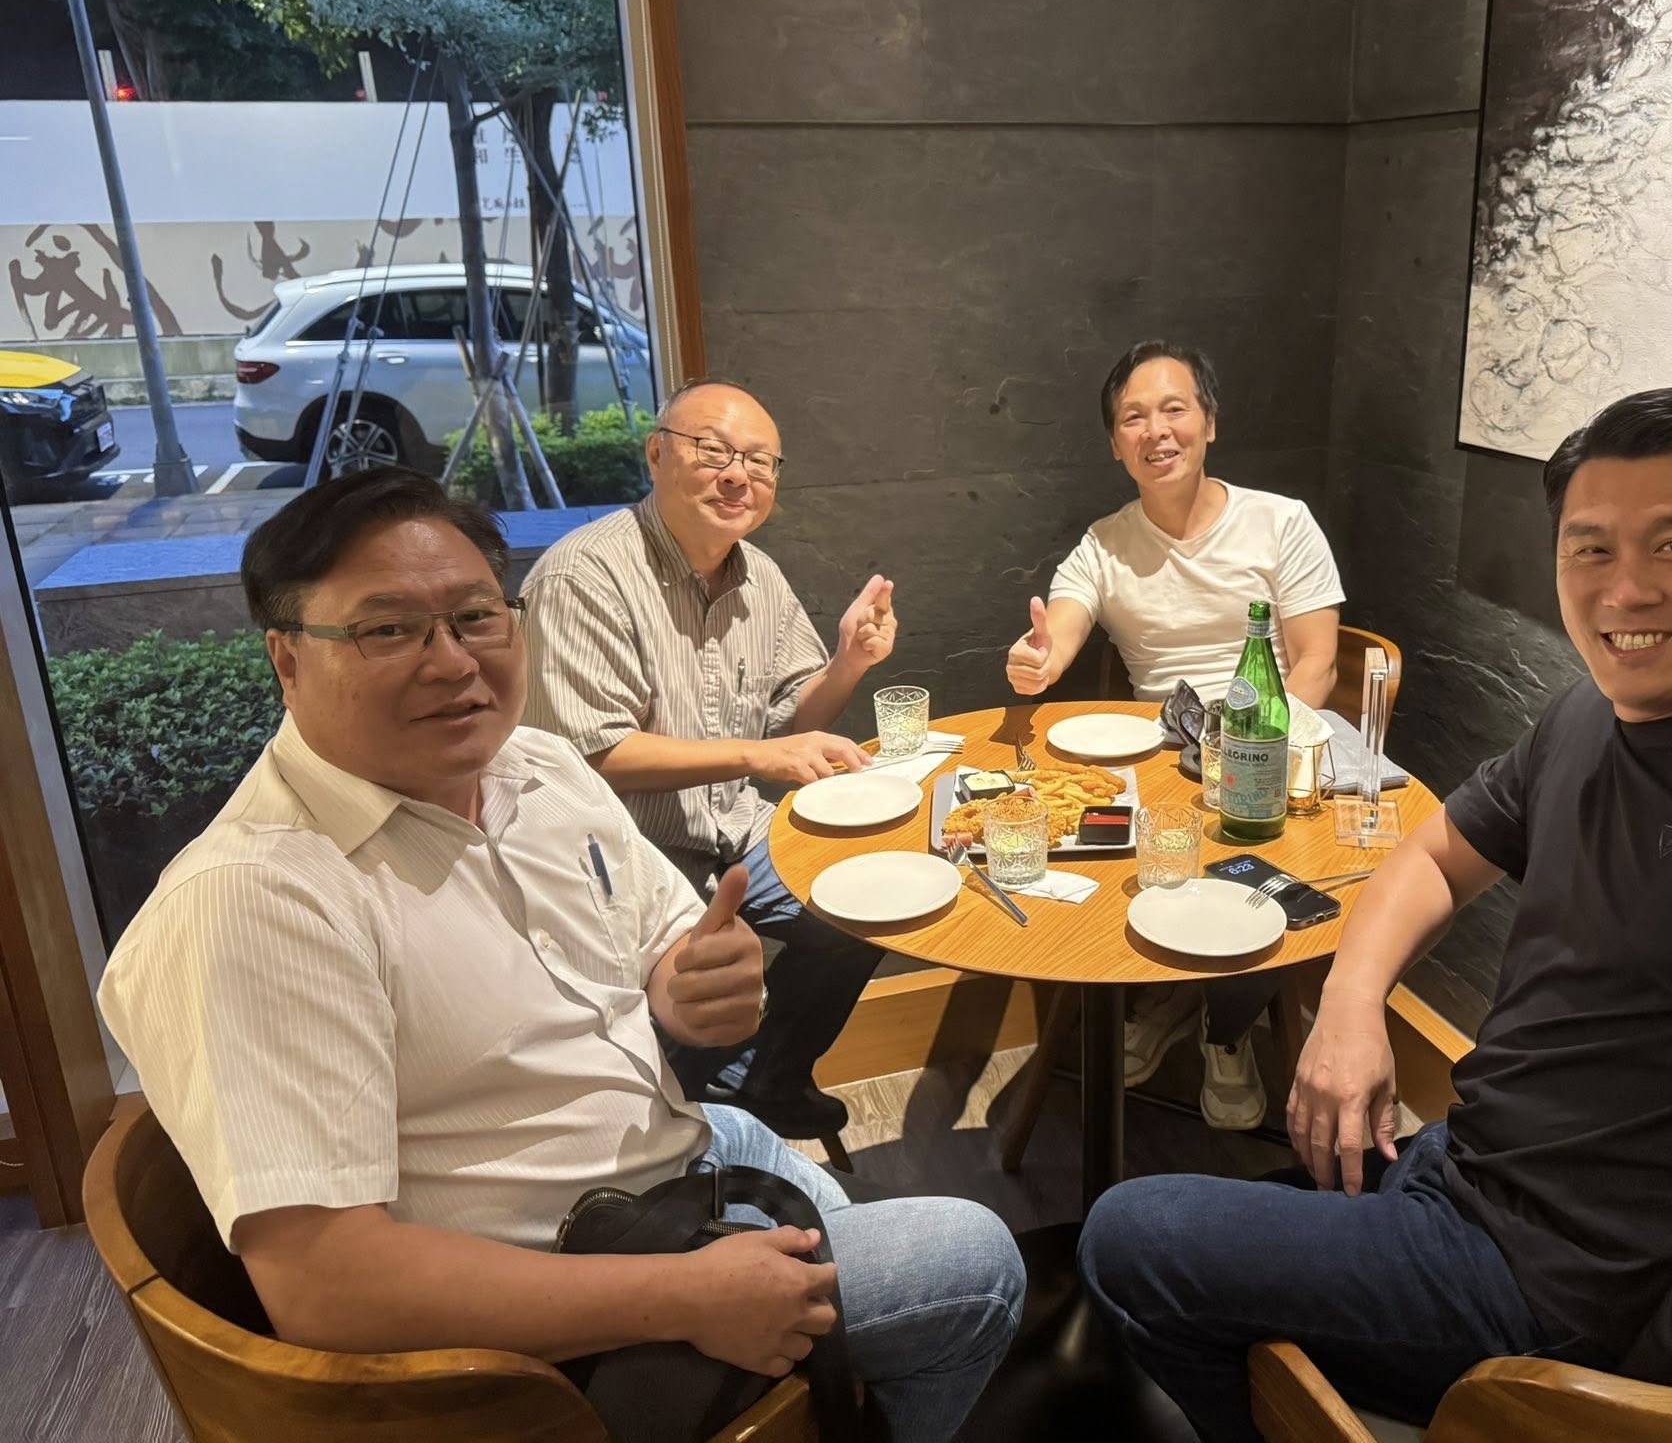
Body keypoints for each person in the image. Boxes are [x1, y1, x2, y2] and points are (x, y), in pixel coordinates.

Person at [1077, 387, 1672, 1440]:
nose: (1623, 588)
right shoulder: (1589, 713)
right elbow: (1434, 855)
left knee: (1132, 1235)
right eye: (1590, 549)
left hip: (1567, 1284)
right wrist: (1350, 1006)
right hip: (1469, 1160)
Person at [98, 470, 1022, 1443]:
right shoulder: (257, 901)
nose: (451, 661)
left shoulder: (530, 767)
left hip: (672, 1142)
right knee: (973, 1262)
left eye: (474, 617)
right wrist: (681, 1297)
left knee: (778, 1151)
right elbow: (327, 1288)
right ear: (287, 659)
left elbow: (662, 939)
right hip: (559, 1297)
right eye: (387, 629)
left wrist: (686, 981)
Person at [521, 379, 897, 1140]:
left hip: (732, 828)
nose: (737, 476)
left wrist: (849, 663)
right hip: (621, 857)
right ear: (657, 454)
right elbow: (595, 754)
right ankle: (694, 1123)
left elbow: (794, 718)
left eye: (759, 461)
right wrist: (761, 752)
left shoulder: (758, 574)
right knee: (687, 1014)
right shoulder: (583, 577)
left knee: (864, 909)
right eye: (714, 451)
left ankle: (768, 1079)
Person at [1005, 339, 1347, 1130]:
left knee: (1270, 864)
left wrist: (1250, 753)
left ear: (1209, 422)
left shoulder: (1280, 522)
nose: (1156, 431)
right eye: (1134, 418)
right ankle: (1168, 1000)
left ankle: (1224, 1027)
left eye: (1174, 409)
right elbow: (1059, 633)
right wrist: (1037, 661)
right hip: (1161, 756)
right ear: (1114, 442)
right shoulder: (1104, 543)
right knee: (1108, 838)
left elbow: (1317, 663)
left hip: (1271, 742)